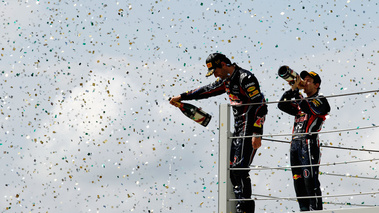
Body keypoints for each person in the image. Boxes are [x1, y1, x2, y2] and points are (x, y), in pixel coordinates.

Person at [170, 53, 267, 213]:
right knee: (232, 170)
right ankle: (240, 207)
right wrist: (182, 97)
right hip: (238, 129)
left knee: (240, 169)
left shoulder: (245, 78)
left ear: (223, 64)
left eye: (215, 71)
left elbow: (261, 105)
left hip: (249, 129)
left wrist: (257, 132)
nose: (215, 75)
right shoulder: (225, 80)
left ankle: (245, 209)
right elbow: (206, 90)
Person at [278, 70, 330, 211]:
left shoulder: (320, 99)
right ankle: (303, 210)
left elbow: (309, 108)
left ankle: (315, 210)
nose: (304, 83)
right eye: (304, 80)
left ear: (316, 85)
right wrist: (293, 88)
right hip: (295, 143)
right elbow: (281, 105)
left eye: (308, 81)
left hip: (309, 142)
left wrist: (297, 93)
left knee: (309, 181)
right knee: (298, 181)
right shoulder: (301, 102)